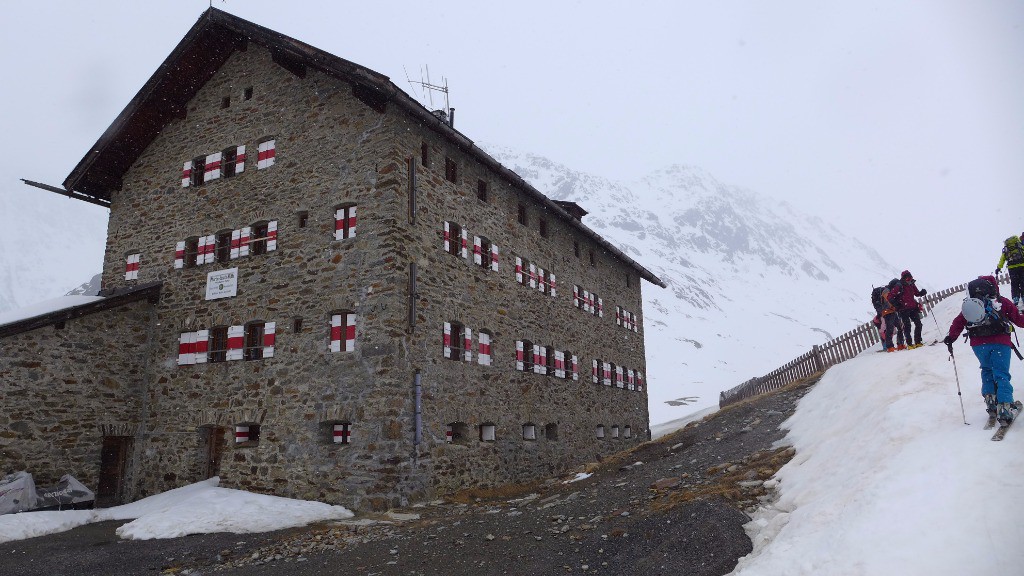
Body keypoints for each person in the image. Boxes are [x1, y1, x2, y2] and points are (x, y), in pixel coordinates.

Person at [943, 275, 1024, 425]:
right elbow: (1020, 321)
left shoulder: (972, 305)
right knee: (1001, 375)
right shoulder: (1000, 302)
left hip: (978, 345)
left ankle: (991, 403)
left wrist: (951, 338)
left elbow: (959, 321)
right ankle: (1005, 409)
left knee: (987, 370)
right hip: (1000, 343)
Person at [889, 270, 928, 348]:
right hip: (903, 309)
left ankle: (917, 342)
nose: (909, 280)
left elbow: (916, 294)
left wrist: (922, 293)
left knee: (918, 324)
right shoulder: (899, 285)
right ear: (904, 278)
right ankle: (910, 344)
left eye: (910, 278)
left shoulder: (911, 284)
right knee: (907, 326)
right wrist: (896, 304)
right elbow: (890, 296)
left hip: (913, 308)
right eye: (907, 278)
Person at [872, 280, 906, 352]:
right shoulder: (886, 291)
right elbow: (889, 301)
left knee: (898, 327)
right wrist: (896, 306)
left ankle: (899, 344)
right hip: (887, 312)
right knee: (891, 328)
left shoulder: (889, 290)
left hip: (891, 311)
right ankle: (890, 346)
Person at [995, 232, 1024, 312]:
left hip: (1012, 269)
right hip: (1022, 266)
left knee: (1014, 284)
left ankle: (1016, 300)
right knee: (1023, 283)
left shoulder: (1007, 249)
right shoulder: (1019, 246)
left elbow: (1002, 259)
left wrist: (998, 268)